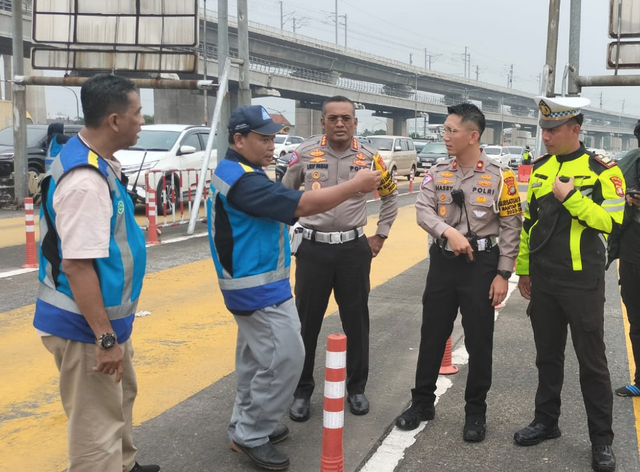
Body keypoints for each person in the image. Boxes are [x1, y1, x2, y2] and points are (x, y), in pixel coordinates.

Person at [207, 104, 381, 471]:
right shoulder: (244, 180)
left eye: (274, 137)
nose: (272, 145)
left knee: (255, 361)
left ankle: (246, 424)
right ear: (239, 139)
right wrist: (356, 185)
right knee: (285, 358)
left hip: (260, 282)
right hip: (257, 288)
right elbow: (301, 204)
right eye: (263, 138)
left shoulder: (240, 171)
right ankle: (252, 434)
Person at [33, 74, 157, 472]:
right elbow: (78, 266)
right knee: (95, 431)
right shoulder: (86, 182)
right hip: (85, 327)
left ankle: (124, 465)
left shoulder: (97, 161)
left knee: (118, 400)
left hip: (102, 322)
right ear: (115, 121)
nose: (142, 121)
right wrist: (105, 339)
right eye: (137, 113)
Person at [395, 103, 522, 442]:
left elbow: (511, 226)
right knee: (432, 334)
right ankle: (422, 403)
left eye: (452, 131)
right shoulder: (438, 171)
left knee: (480, 341)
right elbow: (422, 210)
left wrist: (503, 273)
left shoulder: (500, 176)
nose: (446, 136)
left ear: (473, 135)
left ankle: (475, 412)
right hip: (443, 263)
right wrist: (447, 231)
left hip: (481, 266)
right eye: (445, 130)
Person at [514, 96, 625, 472]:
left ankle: (602, 441)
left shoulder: (602, 170)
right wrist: (524, 270)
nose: (545, 137)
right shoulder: (539, 168)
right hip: (544, 280)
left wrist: (573, 197)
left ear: (575, 130)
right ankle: (546, 421)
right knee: (547, 357)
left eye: (553, 130)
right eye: (543, 130)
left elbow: (612, 223)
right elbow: (530, 225)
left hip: (582, 282)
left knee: (592, 363)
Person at [282, 95, 399, 422]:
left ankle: (356, 388)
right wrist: (288, 236)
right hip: (313, 249)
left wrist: (381, 234)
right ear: (323, 122)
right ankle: (301, 391)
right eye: (332, 118)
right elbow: (284, 195)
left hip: (352, 250)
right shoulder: (304, 154)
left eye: (346, 118)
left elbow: (391, 198)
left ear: (355, 122)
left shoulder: (370, 158)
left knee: (356, 322)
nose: (339, 124)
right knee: (306, 324)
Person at [608, 120, 640, 398]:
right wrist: (628, 204)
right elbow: (612, 215)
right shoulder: (626, 166)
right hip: (633, 256)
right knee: (637, 320)